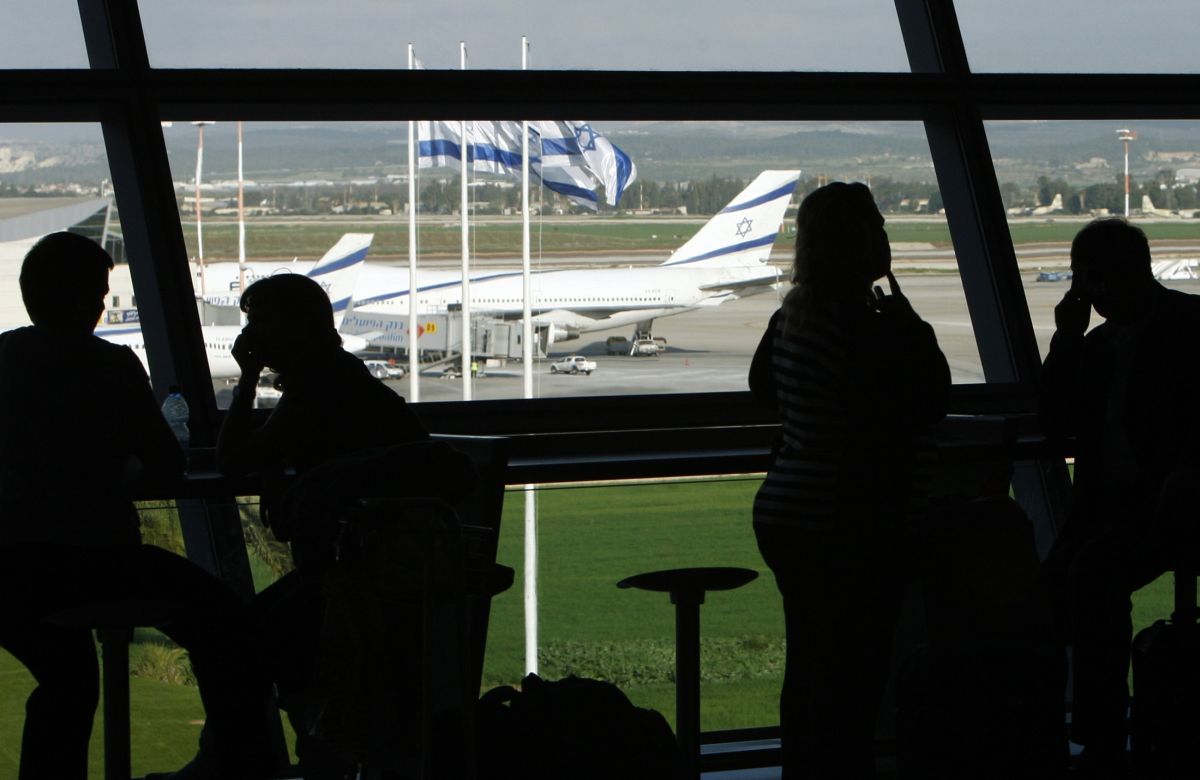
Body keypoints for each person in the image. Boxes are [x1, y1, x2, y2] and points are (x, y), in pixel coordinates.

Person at [0, 232, 273, 780]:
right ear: (80, 300)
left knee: (68, 681)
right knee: (224, 622)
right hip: (93, 563)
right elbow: (165, 465)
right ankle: (238, 761)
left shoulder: (5, 356)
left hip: (10, 571)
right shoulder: (110, 365)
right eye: (99, 294)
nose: (104, 306)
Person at [216, 273, 462, 777]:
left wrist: (245, 379)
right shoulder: (339, 380)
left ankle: (245, 762)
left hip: (353, 581)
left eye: (260, 324)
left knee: (238, 644)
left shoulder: (317, 391)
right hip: (378, 575)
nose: (251, 337)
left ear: (294, 328)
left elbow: (232, 461)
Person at [749, 182, 949, 778]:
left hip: (789, 510)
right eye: (879, 228)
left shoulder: (792, 315)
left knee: (811, 666)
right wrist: (904, 312)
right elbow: (930, 399)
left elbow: (764, 389)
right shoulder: (871, 326)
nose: (887, 237)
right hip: (851, 521)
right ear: (860, 243)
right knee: (854, 679)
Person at [1039, 218, 1200, 776]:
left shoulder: (1191, 327)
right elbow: (1055, 421)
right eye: (1088, 284)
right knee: (1044, 593)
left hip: (1174, 505)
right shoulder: (1097, 346)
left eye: (1102, 281)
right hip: (1112, 510)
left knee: (1090, 577)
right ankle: (1078, 732)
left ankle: (1099, 736)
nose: (1098, 294)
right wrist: (1066, 337)